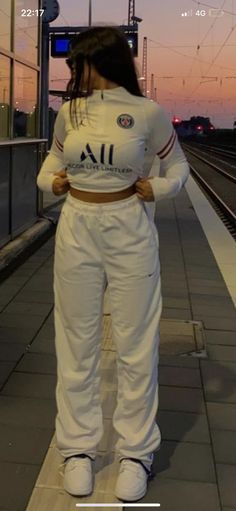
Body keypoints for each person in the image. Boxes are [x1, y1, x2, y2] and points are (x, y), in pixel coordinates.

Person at [37, 26, 189, 502]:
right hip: (77, 226)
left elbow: (177, 165)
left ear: (98, 61)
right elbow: (49, 164)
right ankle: (78, 448)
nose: (72, 72)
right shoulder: (71, 112)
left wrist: (159, 188)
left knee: (135, 345)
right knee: (75, 341)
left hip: (128, 227)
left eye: (77, 63)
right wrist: (53, 184)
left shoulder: (147, 113)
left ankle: (134, 452)